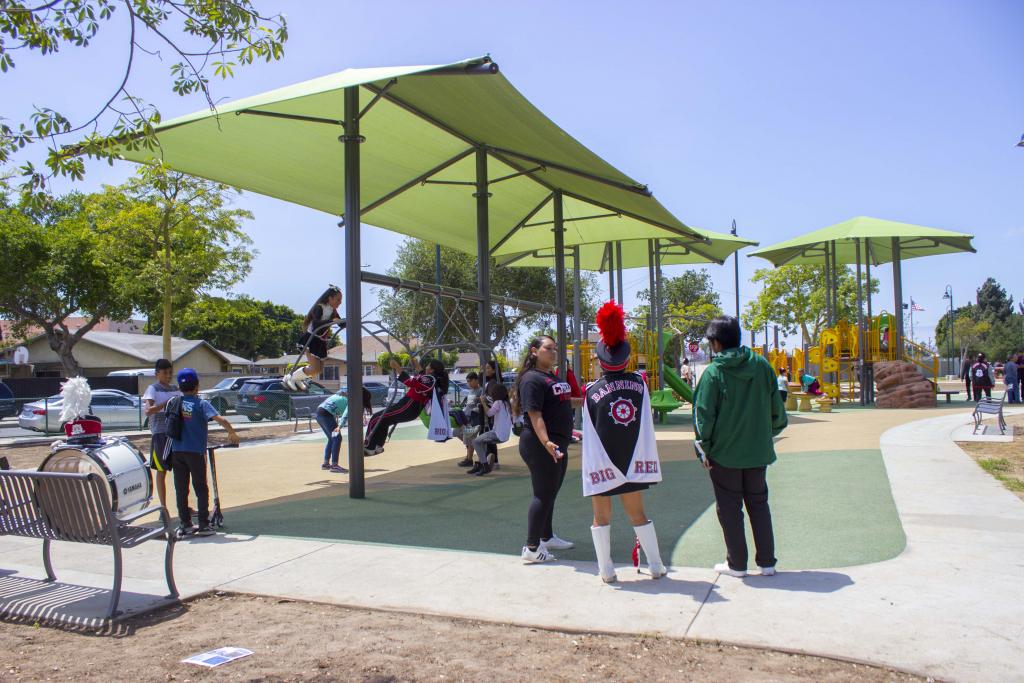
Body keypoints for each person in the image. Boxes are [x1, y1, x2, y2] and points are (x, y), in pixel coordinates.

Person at [694, 316, 787, 578]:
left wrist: (704, 449)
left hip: (724, 454)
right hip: (758, 452)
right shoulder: (762, 365)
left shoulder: (713, 372)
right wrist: (765, 434)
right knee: (759, 504)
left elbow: (703, 416)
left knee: (729, 508)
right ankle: (767, 562)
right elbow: (777, 412)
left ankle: (737, 564)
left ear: (715, 342)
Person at [582, 302, 666, 583]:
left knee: (600, 518)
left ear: (601, 360)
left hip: (603, 461)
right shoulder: (640, 384)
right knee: (638, 515)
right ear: (626, 359)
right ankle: (656, 565)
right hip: (631, 460)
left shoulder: (591, 391)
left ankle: (606, 571)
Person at [513, 335, 583, 563]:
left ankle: (547, 537)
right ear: (534, 351)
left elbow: (563, 402)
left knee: (551, 492)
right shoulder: (531, 379)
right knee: (543, 494)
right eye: (548, 348)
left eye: (555, 348)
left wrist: (586, 399)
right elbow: (535, 415)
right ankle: (532, 548)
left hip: (557, 442)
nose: (554, 352)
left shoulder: (551, 377)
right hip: (540, 444)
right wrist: (546, 442)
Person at [169, 368, 239, 538]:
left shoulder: (174, 403)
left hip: (177, 451)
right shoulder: (201, 404)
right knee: (200, 488)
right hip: (195, 452)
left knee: (181, 489)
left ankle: (185, 524)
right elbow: (221, 419)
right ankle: (203, 524)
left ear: (179, 387)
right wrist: (232, 432)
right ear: (197, 386)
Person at [364, 356, 448, 455]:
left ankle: (368, 446)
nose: (426, 366)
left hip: (408, 406)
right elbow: (421, 372)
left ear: (432, 369)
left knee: (376, 418)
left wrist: (397, 367)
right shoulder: (430, 379)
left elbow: (410, 382)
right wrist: (415, 362)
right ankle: (377, 446)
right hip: (409, 407)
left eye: (428, 365)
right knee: (384, 421)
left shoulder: (430, 379)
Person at [284, 286, 345, 391]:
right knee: (315, 368)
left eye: (341, 300)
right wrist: (332, 321)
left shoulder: (333, 311)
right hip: (311, 339)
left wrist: (350, 320)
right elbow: (316, 324)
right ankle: (291, 377)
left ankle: (297, 378)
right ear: (330, 298)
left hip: (320, 342)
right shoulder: (320, 307)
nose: (340, 302)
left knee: (318, 370)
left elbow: (341, 324)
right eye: (338, 300)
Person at [142, 359, 180, 510]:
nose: (168, 376)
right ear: (157, 373)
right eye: (165, 373)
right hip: (160, 435)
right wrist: (167, 403)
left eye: (170, 373)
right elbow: (148, 411)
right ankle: (163, 508)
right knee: (161, 471)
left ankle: (183, 506)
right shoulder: (153, 389)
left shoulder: (175, 389)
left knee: (181, 471)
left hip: (175, 434)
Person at [469, 381, 512, 476]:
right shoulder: (507, 403)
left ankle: (485, 466)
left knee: (475, 442)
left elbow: (489, 413)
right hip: (505, 435)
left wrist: (483, 401)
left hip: (496, 434)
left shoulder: (498, 402)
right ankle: (481, 463)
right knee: (482, 442)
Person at [454, 371, 483, 467]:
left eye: (470, 381)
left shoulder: (481, 390)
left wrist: (479, 400)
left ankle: (469, 459)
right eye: (467, 381)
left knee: (470, 437)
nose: (468, 383)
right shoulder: (470, 391)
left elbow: (482, 403)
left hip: (473, 418)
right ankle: (469, 450)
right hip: (465, 417)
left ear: (476, 380)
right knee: (456, 432)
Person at [316, 391, 348, 473]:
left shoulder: (341, 395)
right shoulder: (351, 400)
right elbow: (345, 415)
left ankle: (326, 464)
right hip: (326, 414)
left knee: (332, 438)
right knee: (337, 438)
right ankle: (334, 465)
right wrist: (339, 426)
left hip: (320, 413)